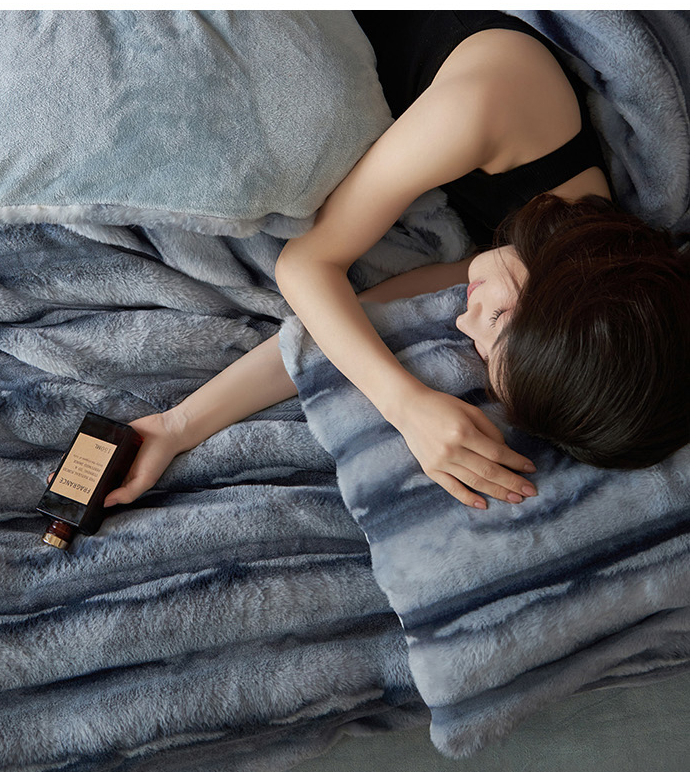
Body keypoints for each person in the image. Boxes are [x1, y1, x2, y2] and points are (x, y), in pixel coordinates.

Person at [91, 12, 690, 512]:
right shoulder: (501, 106)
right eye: (495, 323)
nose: (463, 321)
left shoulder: (518, 253)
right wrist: (404, 403)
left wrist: (178, 426)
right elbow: (307, 264)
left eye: (484, 349)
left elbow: (344, 321)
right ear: (570, 286)